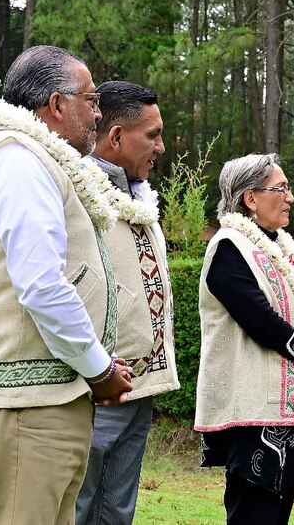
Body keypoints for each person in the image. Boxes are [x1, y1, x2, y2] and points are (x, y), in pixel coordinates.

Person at [0, 45, 133, 525]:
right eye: (91, 99)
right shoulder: (17, 160)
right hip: (27, 404)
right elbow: (41, 285)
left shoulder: (34, 159)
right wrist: (98, 369)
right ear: (56, 104)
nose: (98, 113)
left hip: (45, 397)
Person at [194, 153, 294, 524]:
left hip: (288, 411)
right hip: (253, 414)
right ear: (250, 198)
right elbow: (259, 318)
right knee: (254, 516)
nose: (290, 198)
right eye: (281, 188)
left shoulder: (278, 249)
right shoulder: (229, 246)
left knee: (276, 517)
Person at [75, 80, 180, 525]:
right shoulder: (77, 191)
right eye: (152, 135)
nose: (161, 147)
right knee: (80, 505)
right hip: (97, 388)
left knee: (117, 510)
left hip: (140, 385)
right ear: (116, 136)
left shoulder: (138, 195)